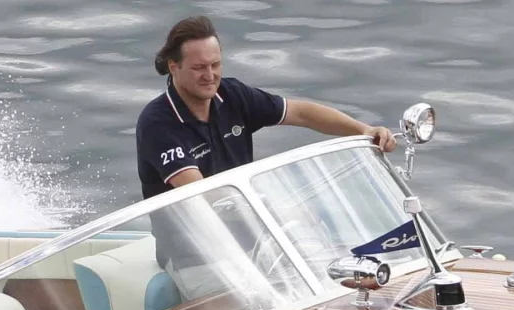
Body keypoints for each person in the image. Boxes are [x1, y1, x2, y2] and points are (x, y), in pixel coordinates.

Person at [135, 14, 396, 199]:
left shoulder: (232, 94)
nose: (210, 75)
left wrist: (363, 129)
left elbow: (302, 113)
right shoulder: (158, 123)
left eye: (215, 65)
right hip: (191, 251)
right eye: (199, 68)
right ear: (174, 67)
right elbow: (201, 196)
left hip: (249, 232)